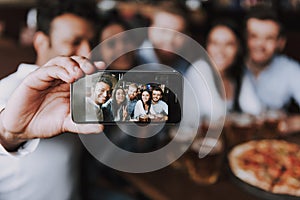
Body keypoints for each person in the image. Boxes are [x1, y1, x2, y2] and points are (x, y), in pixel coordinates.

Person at [0, 0, 105, 199]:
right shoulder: (9, 89)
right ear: (41, 42)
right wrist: (8, 133)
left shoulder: (84, 90)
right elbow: (4, 126)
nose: (87, 52)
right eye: (74, 42)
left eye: (92, 42)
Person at [238, 5, 300, 133]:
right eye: (254, 36)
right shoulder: (232, 64)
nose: (260, 44)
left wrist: (291, 123)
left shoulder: (290, 70)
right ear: (245, 38)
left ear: (280, 43)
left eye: (269, 38)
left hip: (272, 145)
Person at [137, 1, 192, 74]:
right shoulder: (131, 60)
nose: (169, 39)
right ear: (150, 29)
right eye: (163, 31)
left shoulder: (188, 67)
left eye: (179, 33)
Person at [206, 18, 244, 112]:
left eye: (228, 44)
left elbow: (254, 109)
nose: (220, 51)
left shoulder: (235, 79)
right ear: (206, 47)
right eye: (215, 43)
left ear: (238, 48)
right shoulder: (198, 72)